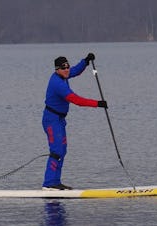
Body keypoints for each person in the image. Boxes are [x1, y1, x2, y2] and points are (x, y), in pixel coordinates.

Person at [42, 53, 108, 190]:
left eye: (67, 66)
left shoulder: (64, 75)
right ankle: (49, 183)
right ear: (57, 70)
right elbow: (77, 100)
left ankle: (55, 182)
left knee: (62, 150)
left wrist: (86, 61)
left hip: (59, 120)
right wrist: (97, 103)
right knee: (57, 150)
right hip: (51, 120)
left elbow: (76, 70)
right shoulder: (58, 84)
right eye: (63, 68)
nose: (66, 69)